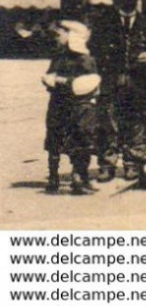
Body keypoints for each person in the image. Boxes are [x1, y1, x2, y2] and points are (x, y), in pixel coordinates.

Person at [89, 0, 146, 182]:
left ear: (137, 1)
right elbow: (93, 47)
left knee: (137, 123)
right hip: (111, 80)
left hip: (140, 82)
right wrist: (110, 61)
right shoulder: (104, 22)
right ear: (117, 0)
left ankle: (133, 164)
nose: (128, 2)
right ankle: (107, 164)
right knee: (107, 122)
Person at [42, 20, 101, 195]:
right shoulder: (59, 56)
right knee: (55, 140)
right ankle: (54, 178)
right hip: (59, 104)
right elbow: (50, 76)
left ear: (72, 36)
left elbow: (90, 83)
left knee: (81, 139)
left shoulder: (84, 58)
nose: (57, 38)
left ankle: (78, 177)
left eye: (59, 35)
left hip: (77, 107)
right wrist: (48, 80)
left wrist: (62, 82)